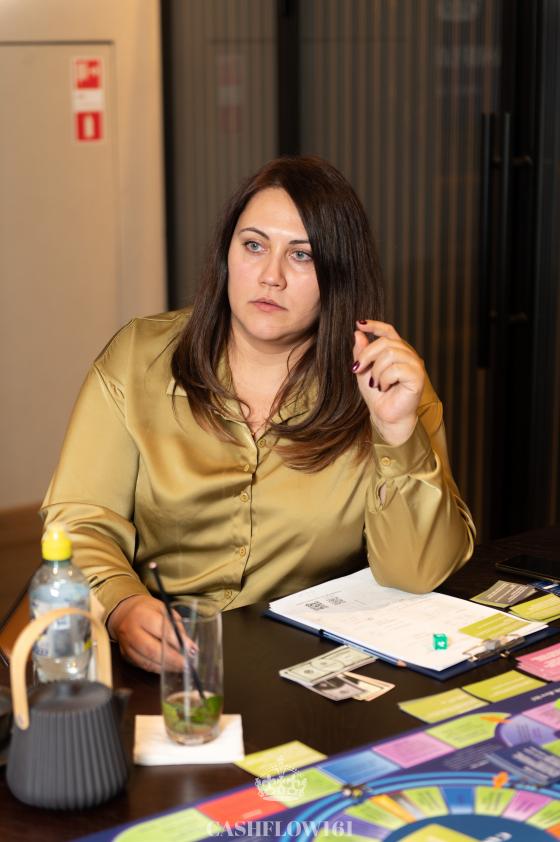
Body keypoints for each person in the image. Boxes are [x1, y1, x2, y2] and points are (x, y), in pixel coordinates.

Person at [41, 156, 475, 673]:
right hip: (162, 665)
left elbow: (417, 573)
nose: (271, 276)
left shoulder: (389, 383)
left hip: (303, 664)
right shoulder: (139, 358)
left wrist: (398, 434)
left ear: (339, 274)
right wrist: (122, 607)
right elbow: (81, 521)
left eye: (302, 255)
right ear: (227, 255)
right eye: (254, 245)